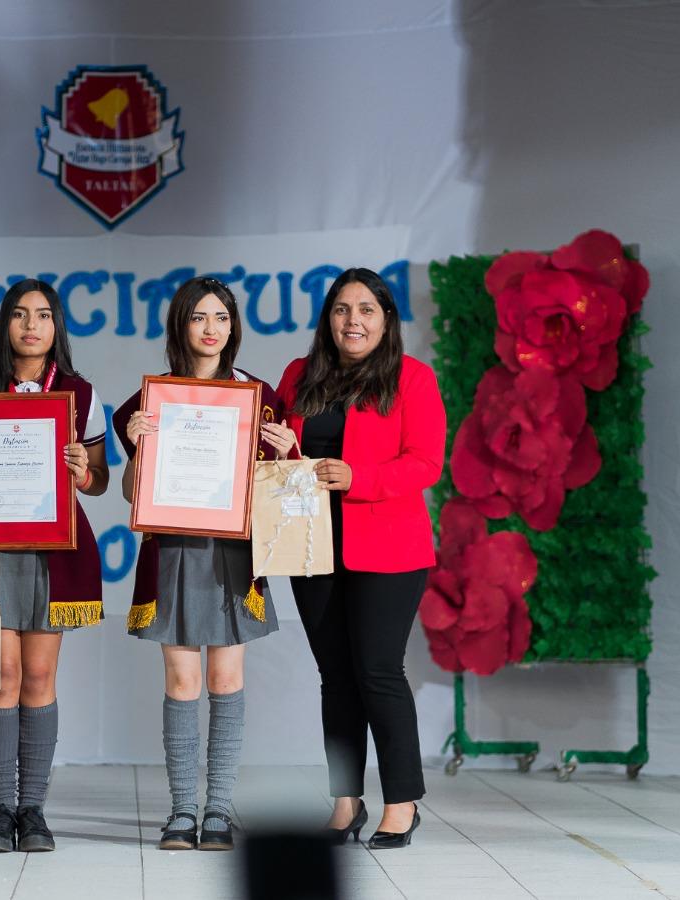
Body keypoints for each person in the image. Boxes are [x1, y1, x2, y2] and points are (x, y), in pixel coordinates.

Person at [113, 276, 296, 851]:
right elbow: (129, 496)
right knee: (182, 680)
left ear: (233, 327)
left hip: (235, 554)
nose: (211, 329)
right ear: (181, 327)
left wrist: (288, 453)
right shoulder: (151, 400)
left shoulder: (261, 397)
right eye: (199, 318)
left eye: (221, 317)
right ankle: (181, 812)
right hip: (174, 553)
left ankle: (218, 809)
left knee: (225, 678)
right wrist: (140, 449)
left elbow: (281, 493)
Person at [0, 279, 110, 854]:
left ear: (57, 326)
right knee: (1, 678)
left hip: (53, 551)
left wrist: (82, 469)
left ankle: (33, 809)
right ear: (4, 325)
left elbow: (102, 481)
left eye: (42, 315)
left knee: (38, 678)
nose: (31, 326)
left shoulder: (83, 394)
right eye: (19, 315)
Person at [276, 267, 445, 849]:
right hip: (311, 544)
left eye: (366, 309)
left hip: (389, 547)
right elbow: (277, 447)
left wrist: (359, 478)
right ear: (328, 319)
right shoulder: (300, 375)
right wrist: (278, 444)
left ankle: (402, 802)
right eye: (343, 309)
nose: (353, 320)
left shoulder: (412, 379)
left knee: (378, 671)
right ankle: (345, 803)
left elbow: (426, 462)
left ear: (386, 319)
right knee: (335, 678)